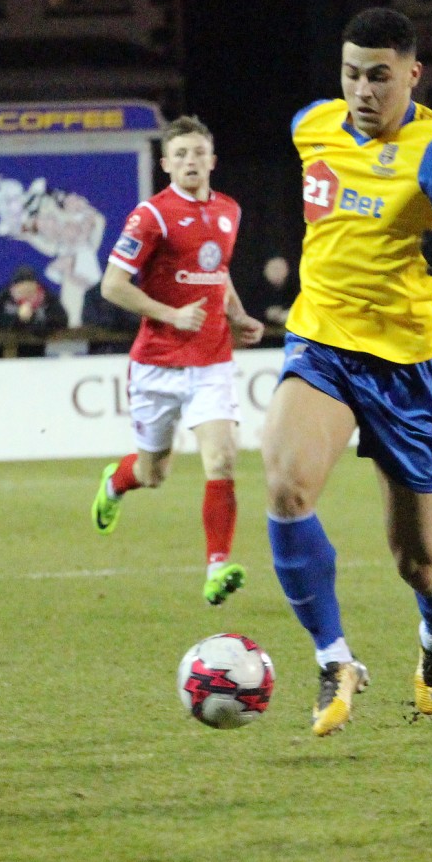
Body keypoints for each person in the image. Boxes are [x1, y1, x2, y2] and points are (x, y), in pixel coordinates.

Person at [261, 7, 432, 738]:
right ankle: (336, 657)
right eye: (351, 73)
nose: (363, 89)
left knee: (420, 564)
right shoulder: (312, 125)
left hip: (406, 369)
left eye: (380, 76)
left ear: (412, 75)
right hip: (322, 344)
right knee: (286, 483)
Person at [89, 115, 264, 605]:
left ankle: (216, 566)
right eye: (181, 154)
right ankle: (117, 481)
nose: (191, 161)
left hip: (211, 360)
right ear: (166, 163)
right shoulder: (152, 216)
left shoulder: (230, 210)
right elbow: (113, 286)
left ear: (212, 160)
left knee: (223, 457)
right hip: (157, 364)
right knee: (153, 474)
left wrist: (237, 315)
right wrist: (171, 313)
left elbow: (218, 272)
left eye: (198, 153)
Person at [0, 263, 68, 357]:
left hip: (35, 356)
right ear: (14, 286)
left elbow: (61, 320)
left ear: (36, 285)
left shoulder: (47, 298)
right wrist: (17, 318)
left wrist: (33, 318)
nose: (25, 292)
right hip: (2, 356)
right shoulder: (3, 297)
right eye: (21, 288)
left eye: (29, 289)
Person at [246, 255, 298, 327]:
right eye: (274, 269)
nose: (277, 273)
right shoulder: (256, 290)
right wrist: (266, 314)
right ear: (265, 270)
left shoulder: (294, 287)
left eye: (281, 269)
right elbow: (248, 311)